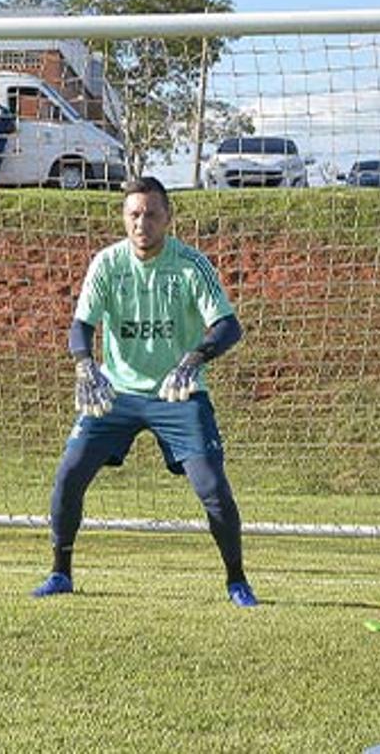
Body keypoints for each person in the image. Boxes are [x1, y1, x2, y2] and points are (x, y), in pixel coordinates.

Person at [33, 176, 256, 606]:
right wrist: (85, 365)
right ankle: (60, 573)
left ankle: (237, 580)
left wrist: (192, 361)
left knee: (212, 487)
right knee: (69, 474)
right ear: (124, 218)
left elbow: (229, 326)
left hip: (177, 394)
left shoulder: (191, 266)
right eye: (134, 214)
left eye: (152, 214)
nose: (142, 223)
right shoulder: (107, 263)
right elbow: (80, 326)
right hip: (114, 393)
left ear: (168, 219)